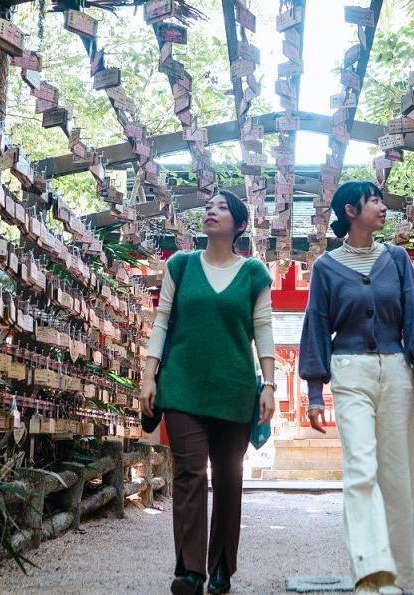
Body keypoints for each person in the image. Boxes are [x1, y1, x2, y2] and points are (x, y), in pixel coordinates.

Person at [298, 181, 414, 595]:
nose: (383, 206)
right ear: (351, 210)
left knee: (397, 477)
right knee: (361, 470)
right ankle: (369, 574)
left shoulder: (396, 259)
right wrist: (312, 393)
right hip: (350, 371)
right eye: (374, 199)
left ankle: (399, 581)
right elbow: (317, 327)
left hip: (397, 370)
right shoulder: (326, 267)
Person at [139, 191, 277, 595]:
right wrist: (149, 377)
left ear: (238, 224)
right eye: (208, 206)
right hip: (181, 384)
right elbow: (162, 322)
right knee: (190, 472)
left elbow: (264, 330)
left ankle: (221, 569)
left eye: (221, 207)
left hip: (233, 388)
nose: (210, 211)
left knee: (230, 478)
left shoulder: (253, 273)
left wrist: (269, 385)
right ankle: (189, 572)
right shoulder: (180, 266)